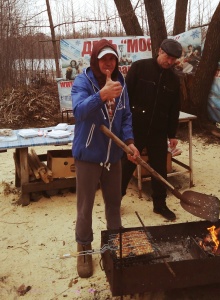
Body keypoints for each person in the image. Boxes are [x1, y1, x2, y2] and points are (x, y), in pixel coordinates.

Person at [71, 39, 139, 278]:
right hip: (88, 155)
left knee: (114, 203)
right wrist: (101, 95)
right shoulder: (82, 81)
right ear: (95, 60)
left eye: (112, 59)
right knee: (85, 207)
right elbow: (78, 112)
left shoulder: (121, 83)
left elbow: (127, 116)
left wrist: (129, 143)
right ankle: (84, 249)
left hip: (113, 155)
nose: (108, 63)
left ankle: (113, 246)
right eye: (103, 59)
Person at [121, 38, 182, 221]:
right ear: (159, 51)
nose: (169, 62)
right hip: (135, 128)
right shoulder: (139, 68)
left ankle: (160, 205)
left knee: (159, 169)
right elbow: (124, 98)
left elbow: (174, 108)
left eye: (173, 59)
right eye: (168, 57)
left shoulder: (174, 79)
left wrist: (172, 134)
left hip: (158, 130)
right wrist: (123, 127)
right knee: (126, 166)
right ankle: (115, 201)